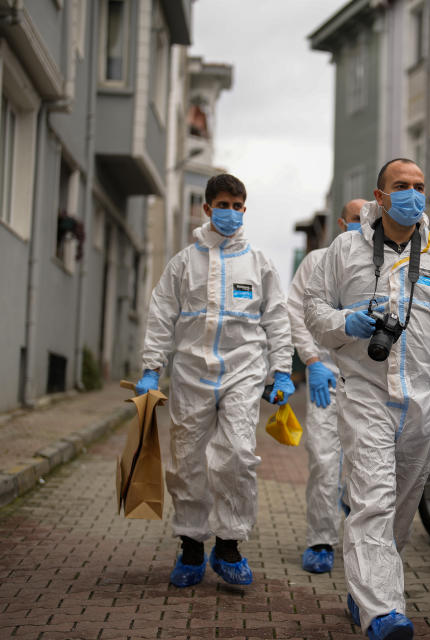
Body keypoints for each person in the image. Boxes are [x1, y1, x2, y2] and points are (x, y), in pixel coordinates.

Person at [304, 159, 430, 640]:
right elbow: (313, 309)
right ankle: (383, 612)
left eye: (419, 187)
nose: (412, 194)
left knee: (402, 509)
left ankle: (365, 585)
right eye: (401, 186)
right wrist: (345, 323)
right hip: (365, 393)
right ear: (380, 196)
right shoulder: (344, 251)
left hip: (422, 402)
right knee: (372, 500)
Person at [136, 173, 295, 588]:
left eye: (237, 206)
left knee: (238, 454)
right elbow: (161, 316)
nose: (230, 213)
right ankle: (191, 545)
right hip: (191, 373)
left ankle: (228, 545)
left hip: (243, 372)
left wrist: (281, 369)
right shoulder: (183, 263)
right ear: (207, 209)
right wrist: (151, 367)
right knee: (187, 458)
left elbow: (277, 319)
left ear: (245, 210)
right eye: (222, 205)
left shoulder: (258, 264)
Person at [286, 198, 365, 574]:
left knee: (365, 465)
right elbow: (294, 309)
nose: (360, 225)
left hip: (367, 385)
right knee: (323, 461)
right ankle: (321, 539)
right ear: (340, 222)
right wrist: (312, 360)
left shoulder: (382, 266)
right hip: (325, 381)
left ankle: (360, 538)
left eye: (367, 219)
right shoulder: (317, 262)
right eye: (354, 219)